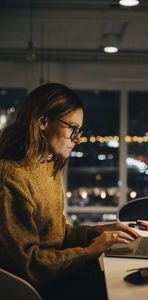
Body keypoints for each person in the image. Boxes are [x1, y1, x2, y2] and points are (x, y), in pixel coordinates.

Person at [0, 83, 139, 300]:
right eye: (72, 128)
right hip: (39, 288)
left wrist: (97, 232)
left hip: (57, 276)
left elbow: (57, 235)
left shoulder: (47, 165)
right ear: (43, 122)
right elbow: (29, 264)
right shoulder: (11, 176)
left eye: (79, 130)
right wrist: (88, 252)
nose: (78, 139)